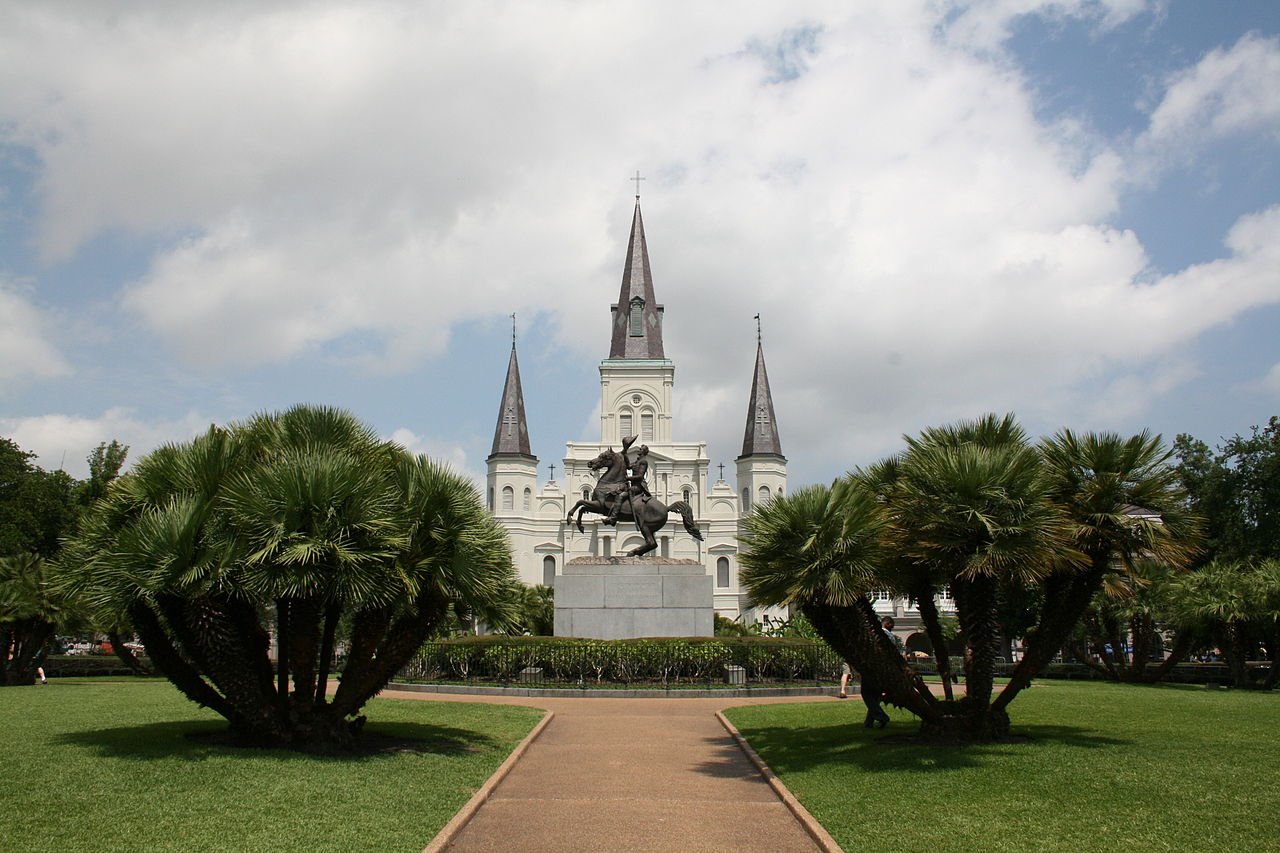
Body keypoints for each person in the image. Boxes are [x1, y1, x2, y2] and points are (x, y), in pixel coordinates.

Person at [604, 442, 651, 526]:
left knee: (621, 495)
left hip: (638, 486)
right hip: (633, 485)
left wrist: (628, 478)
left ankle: (613, 518)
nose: (639, 450)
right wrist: (624, 453)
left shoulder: (643, 462)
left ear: (644, 452)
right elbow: (629, 466)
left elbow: (640, 476)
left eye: (641, 449)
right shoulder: (638, 461)